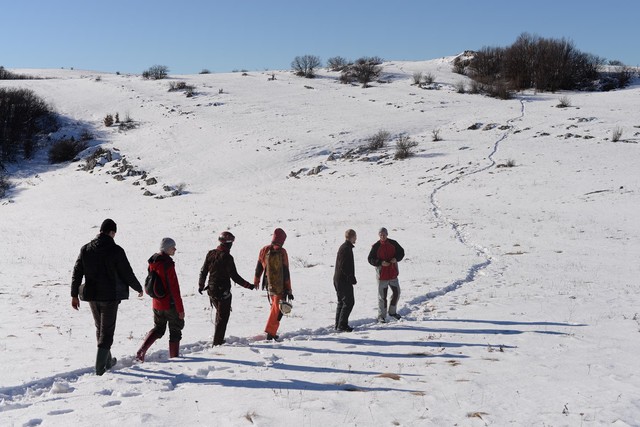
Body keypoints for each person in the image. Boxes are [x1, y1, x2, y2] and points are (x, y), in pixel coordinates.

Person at [71, 218, 143, 375]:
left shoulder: (86, 249)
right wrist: (138, 288)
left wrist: (74, 295)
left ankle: (108, 361)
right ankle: (100, 368)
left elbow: (77, 272)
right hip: (109, 297)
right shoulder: (116, 250)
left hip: (91, 296)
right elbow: (127, 272)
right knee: (107, 332)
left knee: (100, 328)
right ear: (111, 232)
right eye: (114, 233)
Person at [198, 231, 256, 346]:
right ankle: (217, 343)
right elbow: (235, 276)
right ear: (228, 243)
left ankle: (218, 338)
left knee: (220, 315)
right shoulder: (227, 257)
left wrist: (201, 285)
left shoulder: (210, 253)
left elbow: (203, 271)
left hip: (211, 290)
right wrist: (249, 286)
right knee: (223, 318)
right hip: (223, 291)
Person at [136, 238, 185, 362]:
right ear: (167, 248)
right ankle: (175, 359)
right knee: (175, 330)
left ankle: (142, 350)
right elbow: (174, 288)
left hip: (157, 303)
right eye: (173, 247)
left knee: (158, 328)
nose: (175, 249)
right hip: (170, 304)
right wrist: (180, 309)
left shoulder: (153, 262)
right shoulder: (167, 264)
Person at [254, 228, 293, 341]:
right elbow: (286, 271)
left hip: (269, 283)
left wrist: (256, 280)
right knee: (278, 309)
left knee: (274, 307)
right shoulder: (282, 252)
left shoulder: (264, 250)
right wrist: (289, 289)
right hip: (280, 285)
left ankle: (271, 331)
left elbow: (259, 267)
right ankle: (271, 332)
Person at [367, 227, 405, 323]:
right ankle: (381, 316)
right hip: (382, 276)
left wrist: (396, 258)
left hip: (393, 274)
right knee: (382, 297)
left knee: (397, 293)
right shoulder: (375, 246)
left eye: (384, 234)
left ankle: (392, 312)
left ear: (387, 234)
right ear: (379, 235)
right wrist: (380, 262)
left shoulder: (393, 243)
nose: (383, 236)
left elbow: (401, 252)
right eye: (381, 235)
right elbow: (370, 259)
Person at [334, 229, 358, 332]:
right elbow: (344, 266)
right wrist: (350, 277)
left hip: (338, 279)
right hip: (343, 280)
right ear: (352, 237)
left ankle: (338, 324)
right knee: (349, 302)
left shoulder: (345, 247)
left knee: (341, 302)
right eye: (355, 236)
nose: (356, 238)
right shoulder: (346, 248)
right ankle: (342, 325)